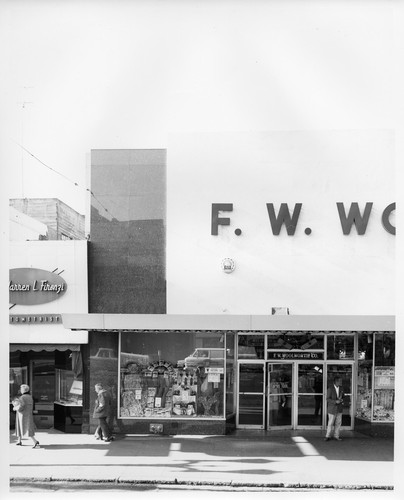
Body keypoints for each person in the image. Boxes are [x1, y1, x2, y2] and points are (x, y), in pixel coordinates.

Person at [12, 384, 40, 448]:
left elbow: (21, 406)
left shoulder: (22, 397)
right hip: (28, 414)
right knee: (27, 428)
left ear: (23, 390)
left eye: (21, 389)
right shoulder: (30, 397)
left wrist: (15, 407)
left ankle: (35, 441)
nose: (20, 390)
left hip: (22, 415)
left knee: (26, 429)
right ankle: (19, 441)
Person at [324, 376, 344, 441]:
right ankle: (327, 436)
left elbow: (343, 396)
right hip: (332, 409)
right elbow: (327, 399)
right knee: (330, 423)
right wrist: (335, 401)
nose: (341, 382)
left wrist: (341, 400)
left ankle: (336, 436)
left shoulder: (341, 388)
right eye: (340, 381)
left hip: (339, 408)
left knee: (338, 423)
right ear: (336, 381)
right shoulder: (330, 388)